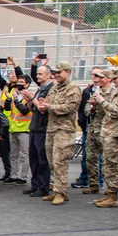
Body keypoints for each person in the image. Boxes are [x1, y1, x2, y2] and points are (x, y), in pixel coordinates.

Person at [38, 61, 81, 205]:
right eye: (55, 73)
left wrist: (50, 107)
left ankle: (60, 192)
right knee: (52, 162)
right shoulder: (55, 88)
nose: (57, 75)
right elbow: (49, 104)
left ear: (68, 72)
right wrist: (44, 104)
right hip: (52, 129)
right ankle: (59, 189)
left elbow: (69, 107)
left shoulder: (73, 88)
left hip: (64, 130)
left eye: (59, 72)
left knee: (60, 162)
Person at [92, 67, 118, 207]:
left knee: (113, 164)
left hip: (116, 132)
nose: (114, 81)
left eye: (115, 78)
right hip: (109, 131)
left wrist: (103, 102)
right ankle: (110, 193)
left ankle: (114, 195)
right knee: (108, 164)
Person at [18, 60, 55, 197]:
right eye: (37, 74)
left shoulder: (50, 89)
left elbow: (42, 108)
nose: (38, 76)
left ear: (48, 75)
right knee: (33, 158)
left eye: (40, 74)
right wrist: (28, 100)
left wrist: (33, 98)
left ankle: (43, 186)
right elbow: (32, 109)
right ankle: (35, 184)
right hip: (34, 127)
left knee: (42, 159)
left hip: (43, 128)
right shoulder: (40, 89)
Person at [80, 68, 112, 195]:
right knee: (91, 159)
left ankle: (111, 188)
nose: (98, 79)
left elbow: (115, 111)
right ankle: (93, 184)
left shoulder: (114, 93)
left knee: (108, 161)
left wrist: (102, 102)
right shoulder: (96, 92)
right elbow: (86, 111)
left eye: (101, 77)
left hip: (107, 130)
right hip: (93, 129)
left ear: (109, 79)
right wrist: (93, 106)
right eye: (97, 77)